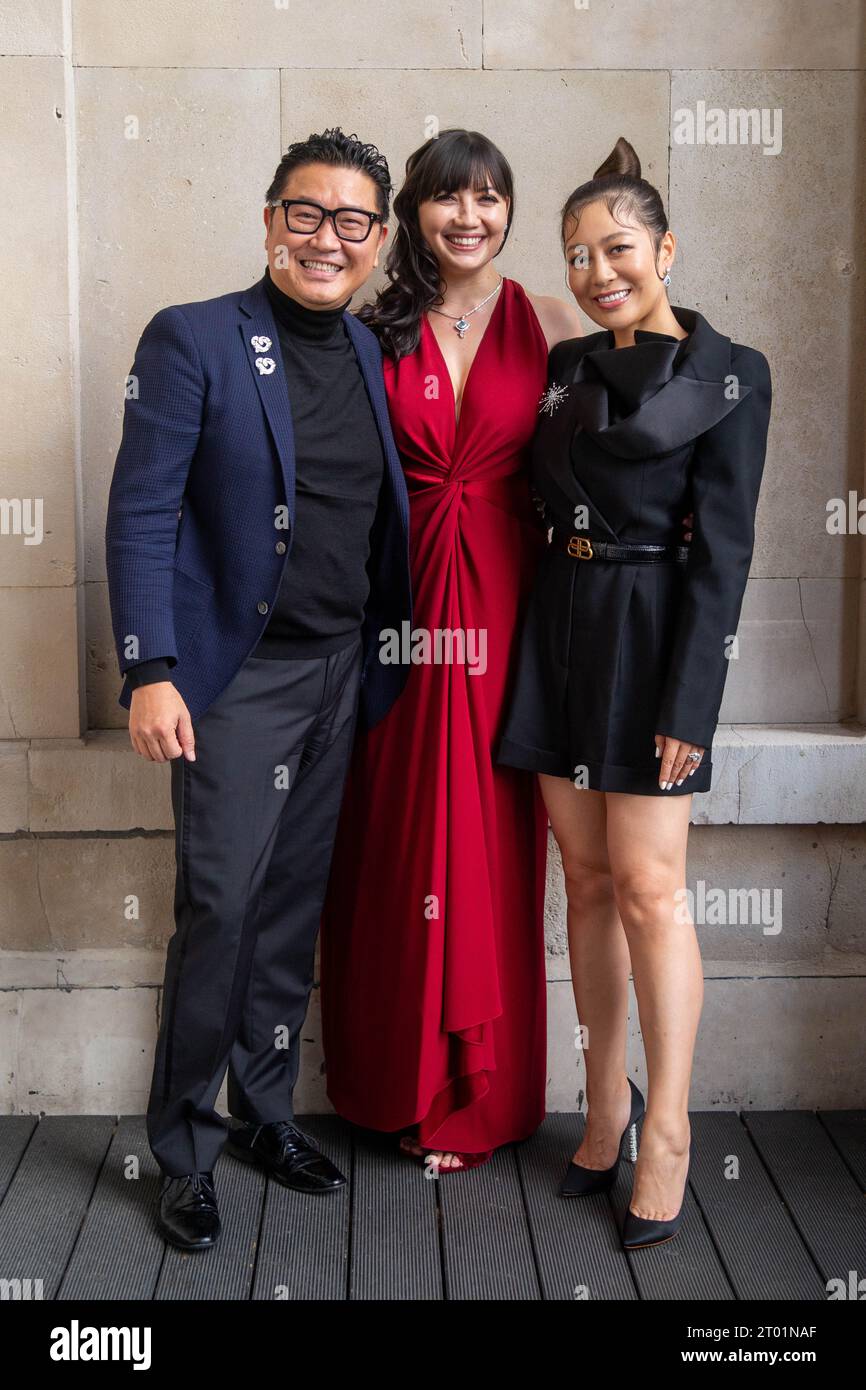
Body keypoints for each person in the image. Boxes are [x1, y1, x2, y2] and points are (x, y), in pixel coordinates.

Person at [105, 128, 412, 1249]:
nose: (326, 238)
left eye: (351, 221)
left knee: (287, 910)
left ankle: (264, 1111)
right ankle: (184, 1143)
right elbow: (141, 509)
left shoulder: (376, 355)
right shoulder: (193, 338)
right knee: (222, 911)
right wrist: (150, 667)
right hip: (234, 681)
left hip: (341, 671)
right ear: (269, 217)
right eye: (305, 212)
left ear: (377, 241)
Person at [498, 137, 772, 1247]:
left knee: (653, 892)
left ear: (663, 246)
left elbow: (727, 552)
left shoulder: (730, 371)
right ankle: (601, 1107)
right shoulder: (566, 369)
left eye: (615, 248)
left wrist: (688, 708)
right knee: (585, 881)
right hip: (557, 631)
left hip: (658, 637)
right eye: (574, 256)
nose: (595, 271)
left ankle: (668, 1131)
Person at [319, 130, 583, 1172]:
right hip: (395, 611)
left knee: (490, 835)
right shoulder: (371, 328)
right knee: (392, 834)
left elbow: (608, 452)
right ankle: (392, 1081)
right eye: (445, 199)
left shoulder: (554, 323)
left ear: (509, 210)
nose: (468, 217)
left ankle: (476, 1094)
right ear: (412, 216)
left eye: (488, 197)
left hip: (512, 616)